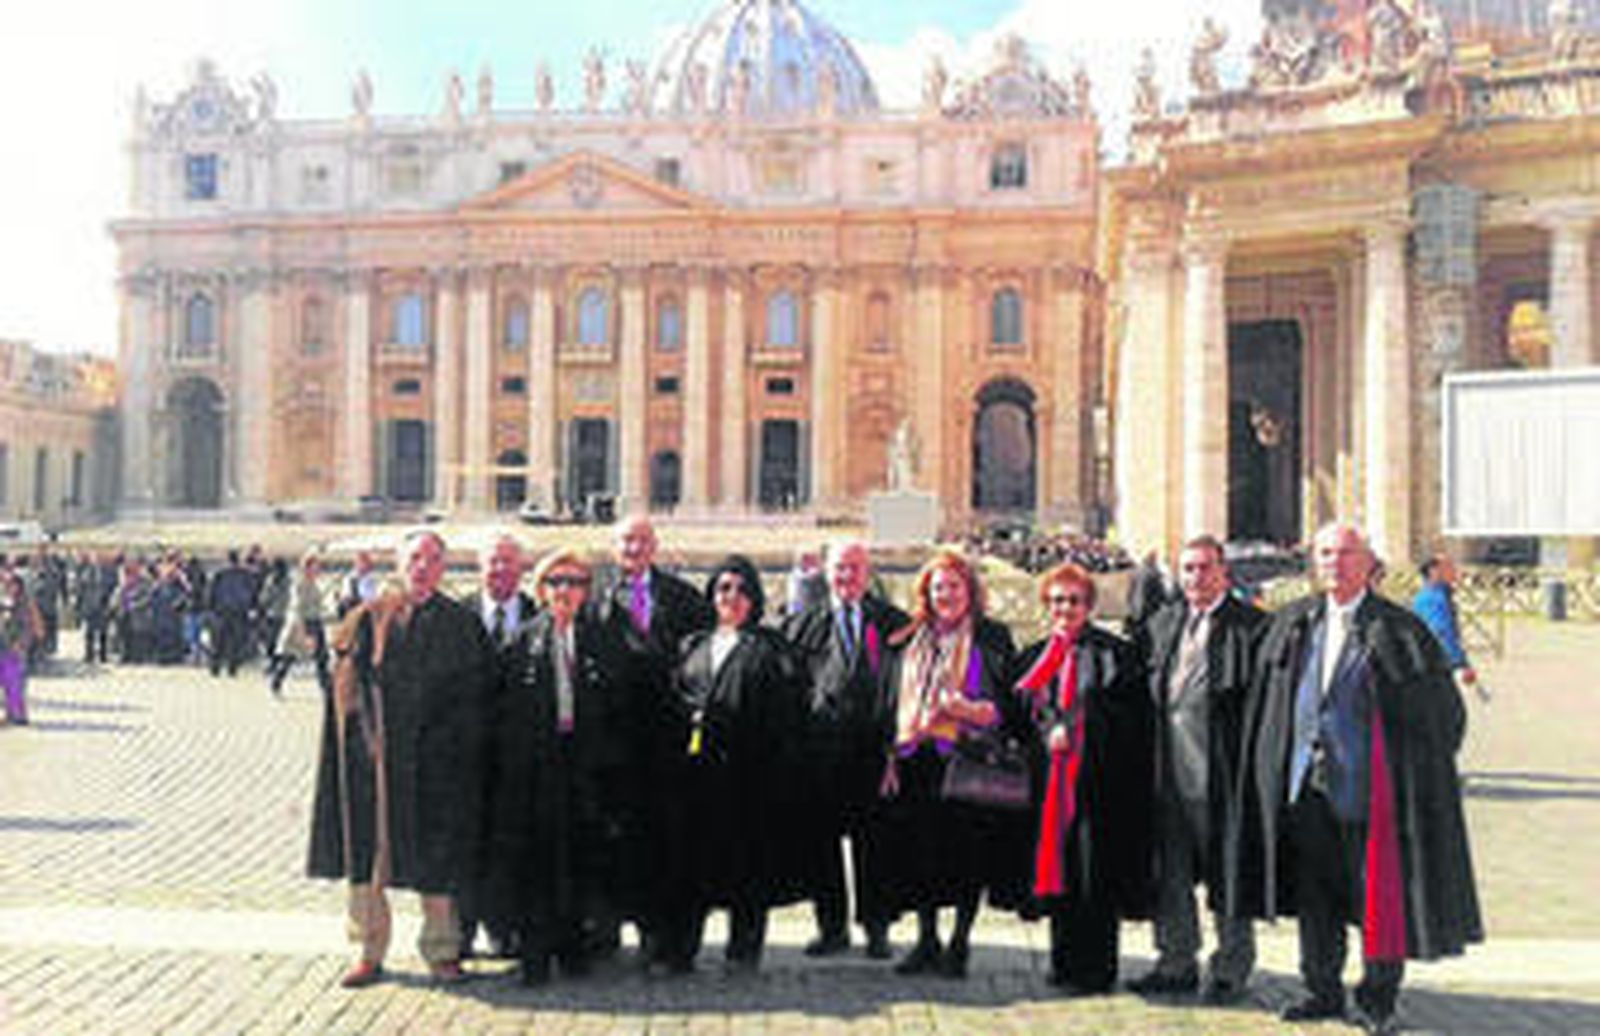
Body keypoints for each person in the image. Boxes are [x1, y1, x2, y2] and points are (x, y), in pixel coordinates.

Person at [1228, 523, 1483, 1035]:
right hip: (1305, 790)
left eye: (1345, 554)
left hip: (1373, 797)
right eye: (1324, 553)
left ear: (1368, 564)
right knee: (1315, 895)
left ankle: (1376, 996)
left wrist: (1410, 773)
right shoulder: (1292, 623)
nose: (1334, 563)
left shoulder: (1401, 630)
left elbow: (1445, 718)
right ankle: (1320, 990)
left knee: (1376, 896)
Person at [306, 529, 496, 989]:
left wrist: (451, 745)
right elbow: (345, 693)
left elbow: (477, 696)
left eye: (433, 559)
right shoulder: (367, 618)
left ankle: (442, 950)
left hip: (437, 764)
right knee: (368, 856)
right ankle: (369, 951)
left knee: (438, 859)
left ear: (444, 567)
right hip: (378, 763)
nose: (423, 567)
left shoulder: (462, 625)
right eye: (415, 558)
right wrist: (367, 741)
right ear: (399, 564)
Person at [649, 555, 808, 975]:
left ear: (754, 598)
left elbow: (787, 716)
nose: (731, 598)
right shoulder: (693, 645)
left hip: (749, 779)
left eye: (740, 590)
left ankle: (743, 951)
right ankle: (680, 950)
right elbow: (672, 700)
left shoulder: (773, 649)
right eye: (723, 588)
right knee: (688, 868)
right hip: (695, 780)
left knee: (748, 867)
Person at [1127, 535, 1262, 1002]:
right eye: (1187, 569)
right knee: (1171, 875)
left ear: (1224, 572)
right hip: (1168, 774)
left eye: (1205, 568)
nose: (1196, 578)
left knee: (1228, 874)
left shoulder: (1251, 627)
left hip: (1222, 775)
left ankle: (1230, 968)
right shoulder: (1163, 623)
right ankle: (1175, 960)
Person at [483, 548, 625, 984]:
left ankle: (573, 947)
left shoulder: (602, 640)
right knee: (537, 862)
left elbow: (619, 706)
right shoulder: (522, 640)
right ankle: (535, 951)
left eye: (576, 583)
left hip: (584, 766)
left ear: (587, 591)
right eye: (556, 582)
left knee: (580, 857)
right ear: (541, 590)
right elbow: (502, 710)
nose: (565, 591)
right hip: (536, 770)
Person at [877, 550, 1019, 979]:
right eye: (938, 587)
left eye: (955, 586)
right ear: (926, 593)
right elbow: (887, 700)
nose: (947, 594)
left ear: (970, 591)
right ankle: (926, 939)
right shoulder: (909, 637)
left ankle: (959, 941)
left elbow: (1008, 704)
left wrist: (973, 710)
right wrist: (889, 755)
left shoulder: (991, 636)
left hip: (967, 759)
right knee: (920, 854)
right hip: (917, 759)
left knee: (967, 855)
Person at [1013, 562, 1152, 995]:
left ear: (1089, 605)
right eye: (1057, 600)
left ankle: (1099, 967)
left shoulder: (1117, 653)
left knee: (1096, 875)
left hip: (1100, 785)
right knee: (1060, 871)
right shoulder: (1033, 655)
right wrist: (1045, 728)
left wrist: (1077, 726)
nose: (1065, 608)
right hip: (1049, 785)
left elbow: (1133, 715)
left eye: (1074, 600)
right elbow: (1020, 714)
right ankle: (1064, 961)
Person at [591, 514, 713, 963]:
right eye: (626, 541)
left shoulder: (682, 598)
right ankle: (607, 927)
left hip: (667, 741)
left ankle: (658, 931)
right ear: (613, 547)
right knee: (614, 837)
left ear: (655, 547)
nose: (634, 549)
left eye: (642, 541)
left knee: (662, 839)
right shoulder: (596, 600)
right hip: (614, 742)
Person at [781, 539, 908, 960]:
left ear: (868, 572)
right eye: (839, 568)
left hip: (875, 753)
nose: (847, 577)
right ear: (826, 573)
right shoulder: (802, 625)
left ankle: (877, 929)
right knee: (822, 845)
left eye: (855, 568)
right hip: (821, 754)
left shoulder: (894, 623)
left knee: (878, 844)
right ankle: (831, 927)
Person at [457, 533, 536, 962]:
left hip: (519, 756)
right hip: (468, 756)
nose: (500, 570)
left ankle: (505, 928)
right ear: (478, 567)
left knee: (511, 845)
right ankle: (463, 929)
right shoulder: (456, 616)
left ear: (522, 569)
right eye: (492, 562)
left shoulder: (540, 614)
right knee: (467, 846)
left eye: (508, 562)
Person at [1412, 554, 1485, 703]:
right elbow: (1442, 634)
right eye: (1448, 567)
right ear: (1434, 571)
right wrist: (1461, 664)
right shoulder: (1432, 599)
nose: (1454, 571)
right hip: (1436, 669)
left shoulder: (1436, 595)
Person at [270, 551, 332, 697]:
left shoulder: (314, 583)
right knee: (290, 656)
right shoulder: (300, 584)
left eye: (319, 567)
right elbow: (298, 608)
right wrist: (303, 632)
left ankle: (326, 688)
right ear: (307, 568)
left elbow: (316, 605)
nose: (318, 570)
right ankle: (276, 682)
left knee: (322, 657)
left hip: (315, 621)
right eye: (315, 567)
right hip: (302, 623)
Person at [208, 550, 257, 677]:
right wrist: (252, 608)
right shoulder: (245, 574)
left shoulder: (219, 574)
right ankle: (232, 667)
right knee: (235, 642)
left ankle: (216, 667)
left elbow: (211, 592)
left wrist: (211, 608)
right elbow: (252, 593)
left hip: (222, 611)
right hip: (238, 611)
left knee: (219, 641)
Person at [0, 569, 40, 725]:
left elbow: (27, 627)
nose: (8, 587)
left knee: (16, 682)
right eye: (7, 584)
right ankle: (12, 713)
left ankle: (19, 715)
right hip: (4, 647)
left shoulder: (24, 603)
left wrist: (21, 643)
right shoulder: (5, 601)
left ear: (19, 586)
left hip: (16, 649)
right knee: (8, 682)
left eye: (12, 584)